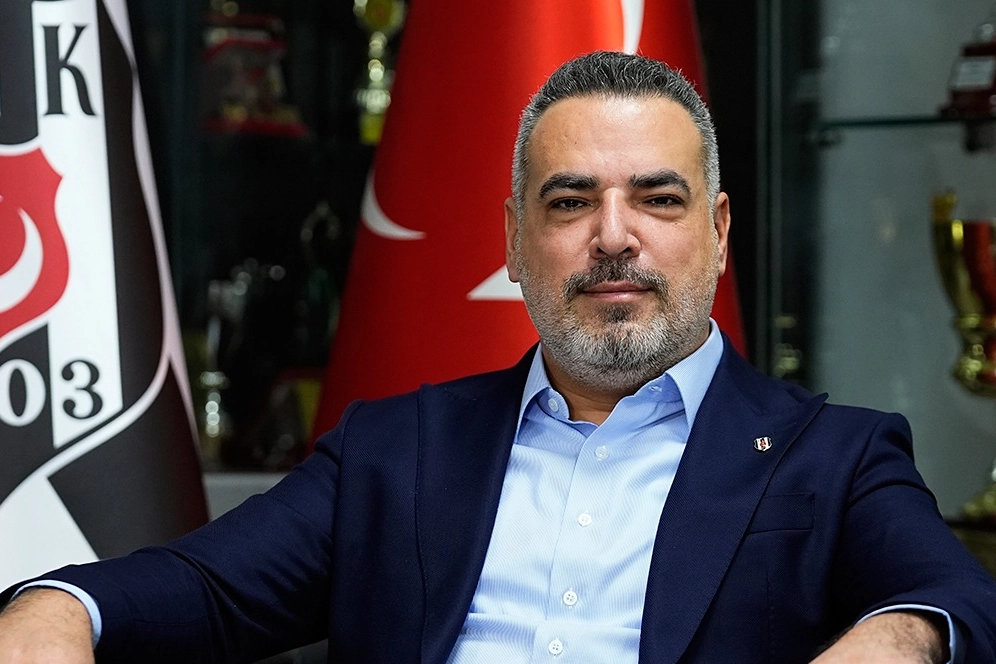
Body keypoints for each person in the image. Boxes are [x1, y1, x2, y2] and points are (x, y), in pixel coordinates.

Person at [2, 50, 995, 664]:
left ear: (720, 232)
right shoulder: (395, 450)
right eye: (571, 201)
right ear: (516, 241)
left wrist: (898, 637)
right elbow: (202, 589)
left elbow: (963, 606)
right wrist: (56, 608)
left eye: (658, 198)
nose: (615, 235)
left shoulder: (836, 458)